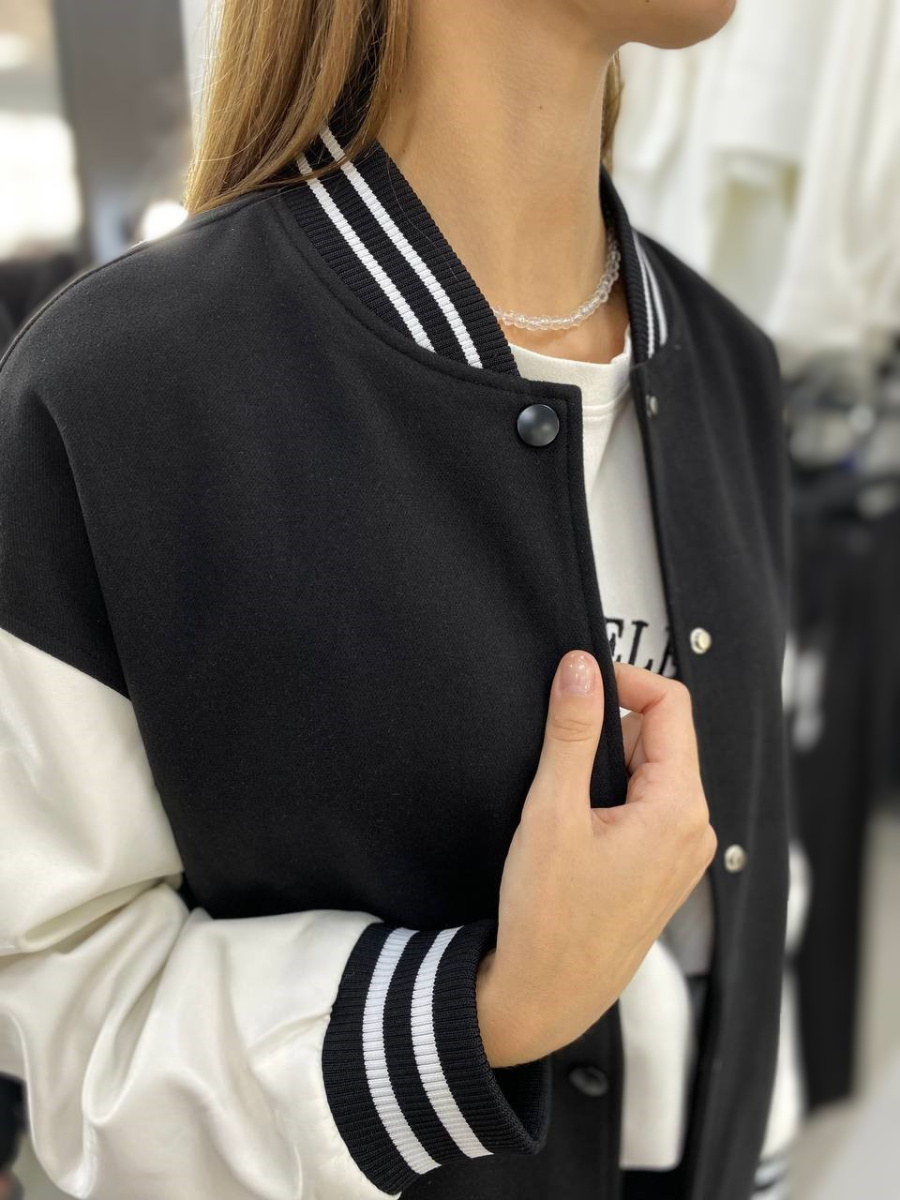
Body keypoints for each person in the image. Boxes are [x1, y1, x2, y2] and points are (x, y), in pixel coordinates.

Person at [0, 1, 794, 1198]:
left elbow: (749, 886)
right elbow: (59, 1025)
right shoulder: (116, 393)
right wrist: (483, 1011)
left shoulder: (730, 367)